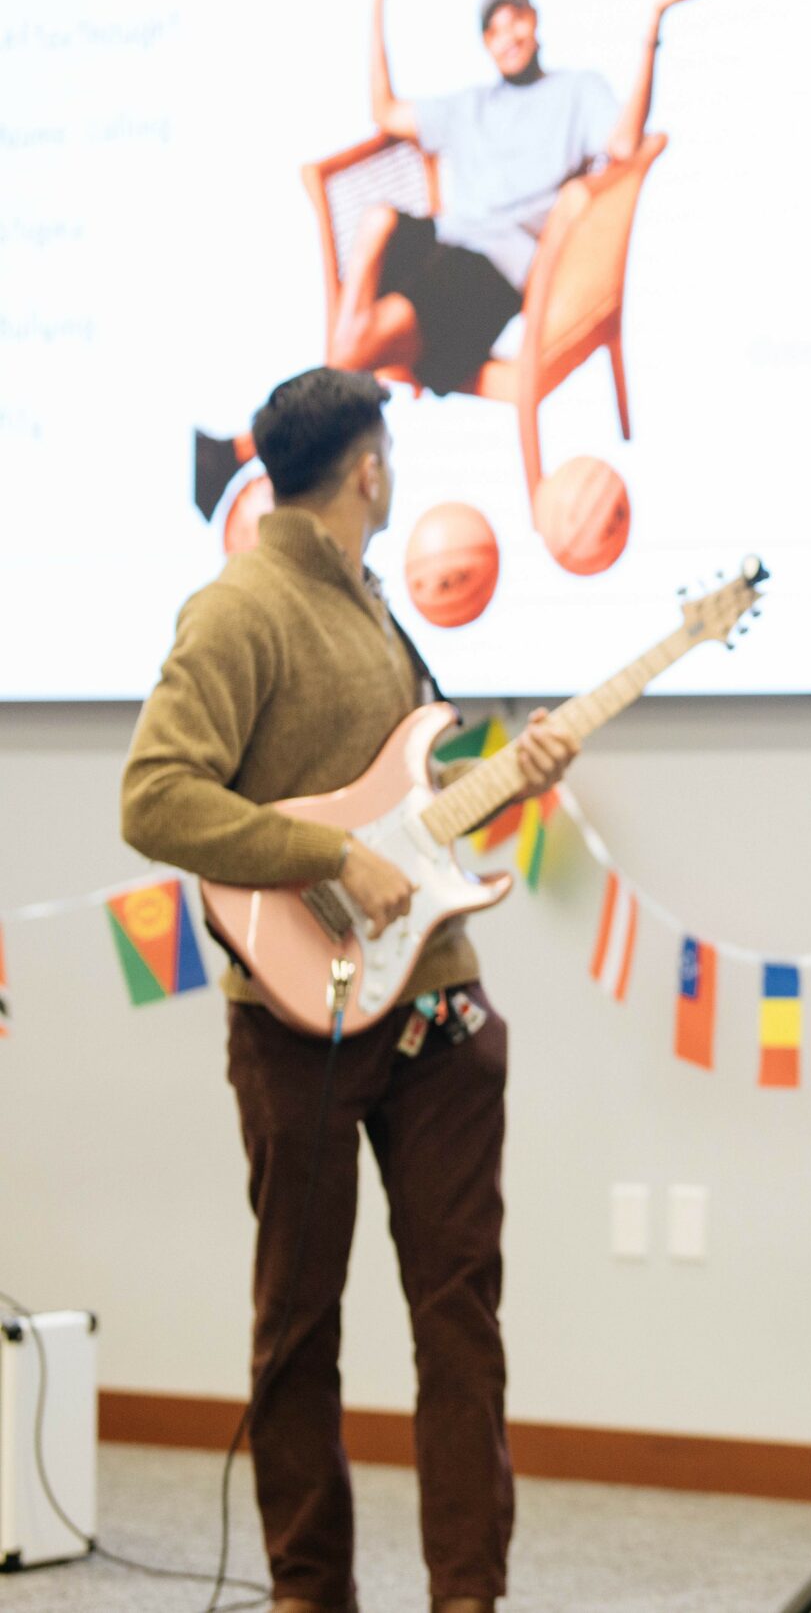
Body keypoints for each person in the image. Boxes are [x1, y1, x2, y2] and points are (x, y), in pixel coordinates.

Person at [128, 367, 579, 1613]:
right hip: (297, 1023)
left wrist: (517, 772)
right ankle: (307, 1591)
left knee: (460, 1318)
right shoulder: (237, 609)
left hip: (440, 1011)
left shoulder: (377, 605)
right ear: (370, 468)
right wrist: (328, 854)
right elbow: (155, 797)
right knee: (298, 1325)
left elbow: (401, 820)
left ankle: (467, 1595)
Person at [193, 0, 710, 512]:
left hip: (489, 271)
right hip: (444, 241)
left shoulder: (577, 91)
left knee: (356, 342)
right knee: (377, 220)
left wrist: (653, 24)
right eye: (493, 30)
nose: (507, 37)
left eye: (515, 20)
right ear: (486, 44)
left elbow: (625, 143)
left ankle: (245, 446)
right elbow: (384, 110)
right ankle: (348, 378)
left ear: (534, 22)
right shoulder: (471, 106)